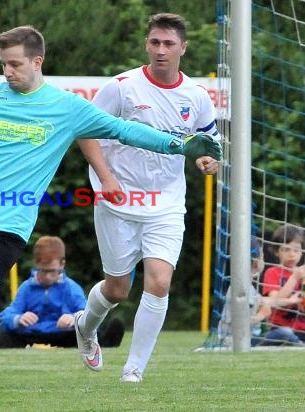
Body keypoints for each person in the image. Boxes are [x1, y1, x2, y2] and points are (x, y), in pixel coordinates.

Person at [0, 25, 221, 390]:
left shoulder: (67, 107)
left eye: (15, 64)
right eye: (4, 65)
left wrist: (178, 145)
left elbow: (124, 130)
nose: (8, 72)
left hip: (8, 226)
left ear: (36, 61)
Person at [75, 13, 221, 383]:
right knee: (117, 289)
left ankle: (133, 369)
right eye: (155, 42)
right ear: (146, 44)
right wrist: (105, 178)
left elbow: (209, 145)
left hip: (167, 204)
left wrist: (208, 161)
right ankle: (85, 327)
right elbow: (84, 131)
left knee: (158, 281)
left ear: (183, 48)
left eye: (169, 43)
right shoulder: (122, 87)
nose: (161, 50)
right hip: (118, 202)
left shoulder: (197, 97)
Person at [0, 236, 124, 349]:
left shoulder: (71, 287)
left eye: (52, 271)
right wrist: (18, 319)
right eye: (42, 271)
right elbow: (7, 316)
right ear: (35, 264)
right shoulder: (26, 287)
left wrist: (74, 318)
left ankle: (108, 340)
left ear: (62, 264)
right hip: (31, 333)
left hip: (63, 334)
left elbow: (88, 313)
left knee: (88, 335)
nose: (47, 276)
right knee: (2, 338)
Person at [217, 236, 303, 347]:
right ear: (256, 261)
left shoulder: (247, 287)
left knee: (282, 333)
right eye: (262, 257)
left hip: (249, 338)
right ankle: (300, 345)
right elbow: (238, 325)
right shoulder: (240, 290)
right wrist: (261, 316)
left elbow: (266, 301)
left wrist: (292, 300)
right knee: (284, 333)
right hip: (234, 341)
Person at [261, 224, 305, 342]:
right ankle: (299, 345)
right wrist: (294, 277)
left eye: (296, 250)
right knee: (285, 333)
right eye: (286, 249)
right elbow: (276, 300)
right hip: (280, 328)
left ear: (302, 252)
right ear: (277, 252)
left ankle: (300, 344)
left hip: (304, 329)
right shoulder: (272, 272)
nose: (292, 254)